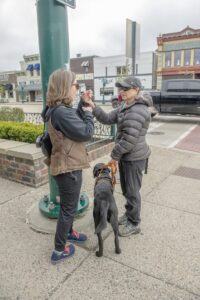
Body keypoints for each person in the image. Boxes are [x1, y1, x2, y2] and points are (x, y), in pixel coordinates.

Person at [82, 76, 152, 237]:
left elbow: (128, 140)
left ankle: (134, 223)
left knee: (132, 191)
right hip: (127, 157)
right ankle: (129, 216)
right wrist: (92, 105)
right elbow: (107, 118)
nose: (122, 91)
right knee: (127, 190)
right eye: (121, 88)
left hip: (134, 158)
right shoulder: (125, 106)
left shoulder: (138, 110)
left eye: (126, 88)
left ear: (137, 90)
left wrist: (114, 156)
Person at [44, 69, 94, 264]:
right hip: (68, 168)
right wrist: (89, 112)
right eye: (76, 86)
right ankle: (59, 250)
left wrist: (82, 104)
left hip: (64, 165)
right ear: (66, 87)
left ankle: (70, 233)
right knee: (67, 209)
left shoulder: (54, 109)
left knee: (69, 207)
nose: (77, 89)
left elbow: (72, 123)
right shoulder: (61, 112)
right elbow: (85, 132)